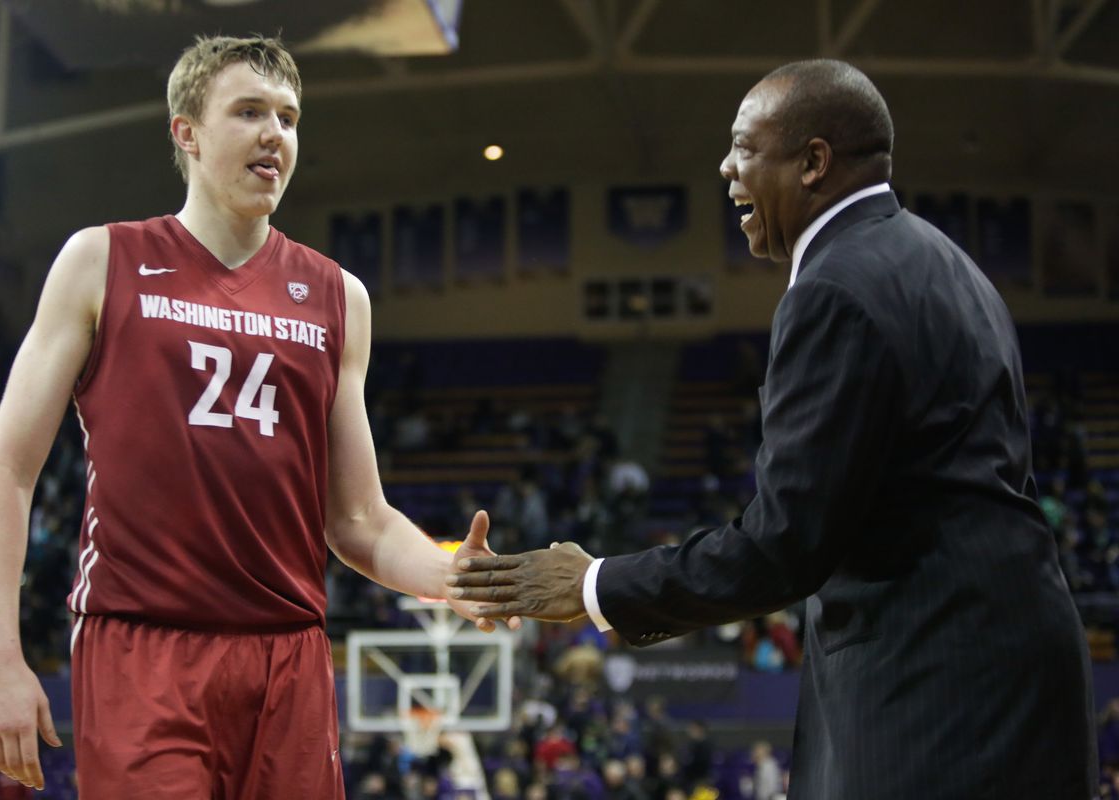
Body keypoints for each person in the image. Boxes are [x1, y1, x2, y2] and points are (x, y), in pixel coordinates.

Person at [449, 59, 1097, 798]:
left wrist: (594, 583)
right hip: (1014, 669)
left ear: (814, 162)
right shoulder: (947, 263)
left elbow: (784, 547)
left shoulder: (835, 288)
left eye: (744, 148)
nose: (726, 168)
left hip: (937, 688)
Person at [0, 34, 514, 798]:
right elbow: (7, 472)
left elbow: (358, 518)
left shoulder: (338, 296)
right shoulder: (101, 261)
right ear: (185, 132)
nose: (274, 134)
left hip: (288, 657)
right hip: (142, 647)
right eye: (249, 111)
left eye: (289, 117)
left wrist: (449, 577)